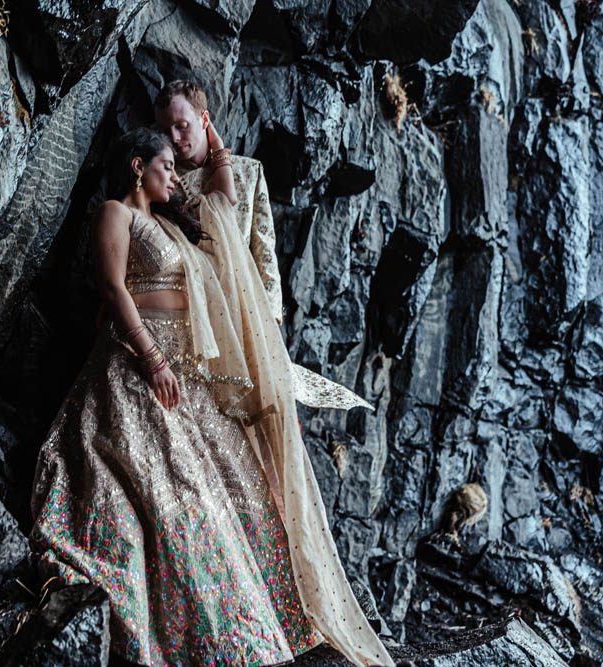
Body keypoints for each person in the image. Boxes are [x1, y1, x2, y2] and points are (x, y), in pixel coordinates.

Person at [29, 125, 394, 666]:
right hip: (137, 366)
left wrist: (211, 137)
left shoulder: (167, 224)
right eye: (167, 166)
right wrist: (152, 360)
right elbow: (113, 288)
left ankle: (259, 629)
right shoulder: (117, 213)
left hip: (182, 373)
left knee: (230, 493)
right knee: (168, 487)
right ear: (137, 165)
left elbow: (224, 203)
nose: (175, 176)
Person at [154, 80, 282, 325]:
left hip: (250, 310)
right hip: (194, 314)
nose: (174, 138)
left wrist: (272, 316)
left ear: (204, 120)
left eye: (182, 126)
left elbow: (264, 248)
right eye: (164, 131)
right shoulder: (163, 184)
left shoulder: (249, 171)